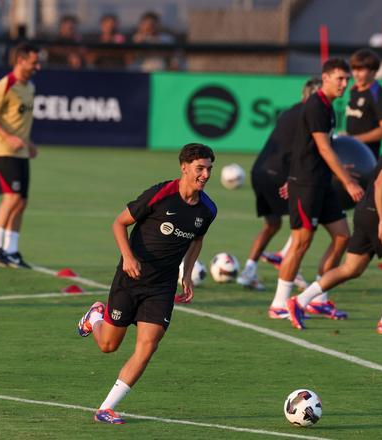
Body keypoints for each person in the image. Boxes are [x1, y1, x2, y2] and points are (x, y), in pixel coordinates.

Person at [76, 143, 217, 424]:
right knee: (108, 346)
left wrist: (186, 274)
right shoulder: (161, 194)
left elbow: (197, 239)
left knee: (148, 345)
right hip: (131, 279)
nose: (205, 175)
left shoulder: (208, 209)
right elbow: (119, 223)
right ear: (184, 167)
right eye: (200, 168)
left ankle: (106, 408)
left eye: (209, 169)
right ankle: (95, 315)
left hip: (162, 288)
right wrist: (128, 257)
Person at [286, 97, 382, 333]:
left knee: (351, 269)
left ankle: (300, 301)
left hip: (366, 213)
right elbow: (381, 182)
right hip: (378, 214)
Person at [268, 58, 364, 324]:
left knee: (343, 236)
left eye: (347, 79)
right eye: (340, 78)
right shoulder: (316, 106)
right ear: (325, 78)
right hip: (307, 185)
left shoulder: (329, 107)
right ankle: (279, 304)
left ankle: (317, 300)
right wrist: (348, 182)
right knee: (301, 243)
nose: (345, 84)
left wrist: (337, 169)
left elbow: (309, 147)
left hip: (320, 183)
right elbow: (322, 148)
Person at [236, 79, 319, 292]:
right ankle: (288, 263)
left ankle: (248, 272)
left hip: (260, 171)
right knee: (303, 223)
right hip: (280, 174)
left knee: (272, 224)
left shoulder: (290, 111)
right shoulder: (311, 115)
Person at [0, 43, 40, 269]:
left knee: (22, 201)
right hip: (2, 150)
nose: (37, 66)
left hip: (21, 152)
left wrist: (28, 143)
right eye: (34, 62)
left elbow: (19, 122)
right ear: (21, 60)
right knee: (12, 198)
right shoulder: (6, 85)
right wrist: (8, 137)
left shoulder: (29, 86)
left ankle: (12, 250)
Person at [345, 49, 382, 159]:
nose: (356, 74)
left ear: (373, 71)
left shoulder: (378, 94)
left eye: (361, 70)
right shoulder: (354, 90)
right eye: (354, 69)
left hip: (368, 155)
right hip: (351, 151)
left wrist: (356, 139)